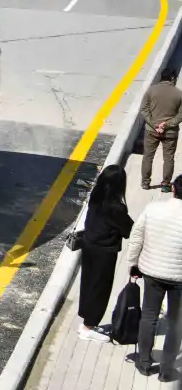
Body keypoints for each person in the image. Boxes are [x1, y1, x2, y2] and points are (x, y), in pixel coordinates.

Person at [127, 175, 182, 379]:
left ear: (174, 190)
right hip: (179, 278)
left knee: (149, 316)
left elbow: (137, 236)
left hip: (152, 272)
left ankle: (144, 363)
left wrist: (133, 263)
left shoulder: (153, 208)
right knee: (176, 322)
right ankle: (167, 370)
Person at [77, 165, 134, 341]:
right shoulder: (115, 207)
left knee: (88, 284)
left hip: (89, 247)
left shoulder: (95, 198)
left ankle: (86, 321)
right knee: (100, 289)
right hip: (105, 252)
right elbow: (129, 229)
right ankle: (89, 327)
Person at [141, 67, 182, 191]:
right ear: (173, 78)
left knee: (148, 156)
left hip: (151, 131)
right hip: (170, 133)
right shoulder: (179, 94)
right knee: (168, 158)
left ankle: (145, 183)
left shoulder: (151, 91)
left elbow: (144, 109)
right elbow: (180, 115)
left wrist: (155, 124)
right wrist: (167, 124)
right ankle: (165, 184)